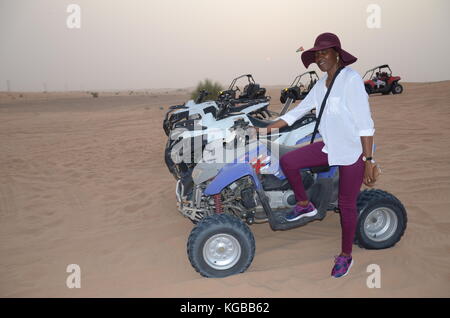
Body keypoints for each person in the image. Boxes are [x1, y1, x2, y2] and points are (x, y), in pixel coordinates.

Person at [257, 33, 377, 278]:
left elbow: (365, 124)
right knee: (289, 161)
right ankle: (304, 204)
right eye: (317, 54)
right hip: (329, 147)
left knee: (346, 205)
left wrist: (369, 160)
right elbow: (296, 113)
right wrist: (263, 129)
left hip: (352, 153)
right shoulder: (320, 84)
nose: (320, 57)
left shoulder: (350, 80)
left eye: (324, 52)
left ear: (337, 53)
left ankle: (346, 256)